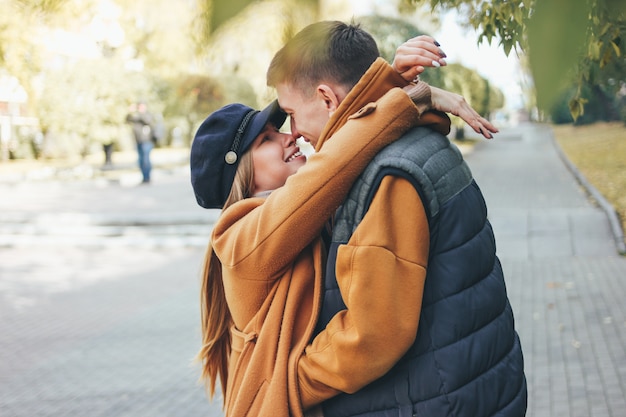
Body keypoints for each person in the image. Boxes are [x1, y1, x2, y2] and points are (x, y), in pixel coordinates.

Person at [192, 36, 495, 417]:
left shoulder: (304, 211)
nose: (291, 136)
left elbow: (338, 148)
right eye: (268, 139)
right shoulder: (238, 241)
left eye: (282, 124)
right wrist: (405, 96)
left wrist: (393, 87)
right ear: (244, 173)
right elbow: (332, 165)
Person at [265, 21, 527, 416]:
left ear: (325, 98)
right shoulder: (410, 144)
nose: (295, 131)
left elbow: (374, 334)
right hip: (463, 387)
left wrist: (289, 381)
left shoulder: (388, 173)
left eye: (291, 114)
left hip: (433, 400)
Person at [126, 101, 155, 184]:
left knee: (146, 159)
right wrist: (130, 112)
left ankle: (147, 177)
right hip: (138, 140)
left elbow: (147, 121)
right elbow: (128, 120)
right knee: (140, 160)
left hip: (147, 141)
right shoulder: (136, 116)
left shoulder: (147, 115)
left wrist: (140, 113)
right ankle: (144, 177)